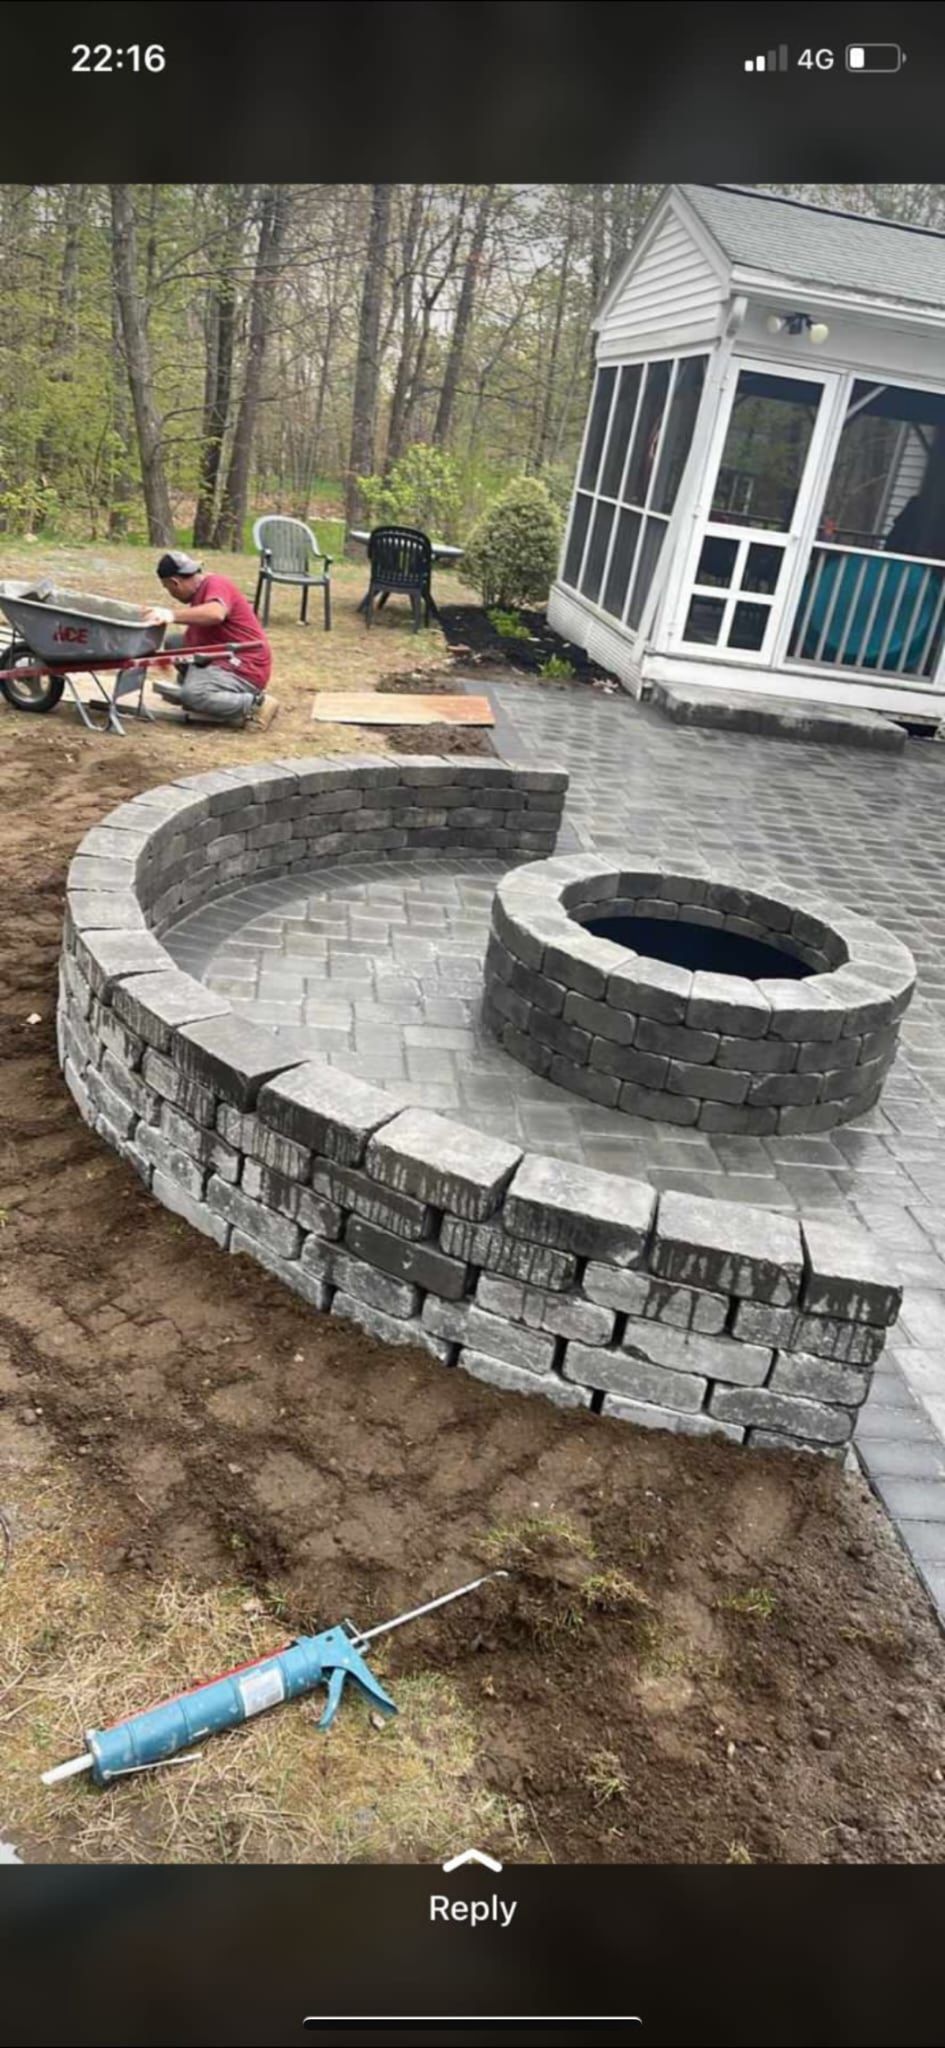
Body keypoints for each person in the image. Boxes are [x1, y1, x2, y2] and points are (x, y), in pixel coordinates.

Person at [144, 550, 277, 727]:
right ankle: (201, 689)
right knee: (174, 643)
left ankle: (256, 704)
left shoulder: (216, 583)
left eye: (168, 589)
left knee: (193, 696)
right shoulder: (201, 591)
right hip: (225, 654)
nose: (171, 594)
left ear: (174, 583)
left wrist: (170, 615)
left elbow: (216, 614)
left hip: (245, 664)